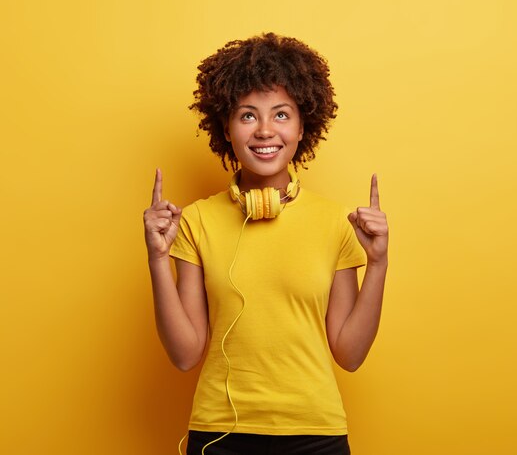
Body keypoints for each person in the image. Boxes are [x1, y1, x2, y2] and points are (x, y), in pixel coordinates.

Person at [143, 33, 389, 455]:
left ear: (301, 126)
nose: (264, 131)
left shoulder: (334, 222)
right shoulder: (197, 221)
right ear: (226, 126)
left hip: (315, 432)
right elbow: (185, 355)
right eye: (247, 116)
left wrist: (379, 264)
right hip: (220, 433)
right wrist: (157, 259)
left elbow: (349, 354)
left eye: (280, 115)